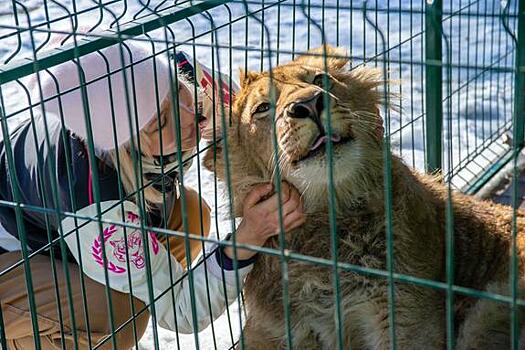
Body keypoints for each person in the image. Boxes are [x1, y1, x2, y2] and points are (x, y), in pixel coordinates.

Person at [0, 41, 305, 349]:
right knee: (118, 314)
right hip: (9, 260)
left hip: (54, 230)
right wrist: (248, 237)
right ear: (124, 146)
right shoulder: (97, 203)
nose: (190, 116)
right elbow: (183, 310)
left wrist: (223, 106)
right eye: (161, 121)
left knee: (190, 213)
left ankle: (131, 278)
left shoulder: (165, 76)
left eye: (176, 93)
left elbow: (246, 103)